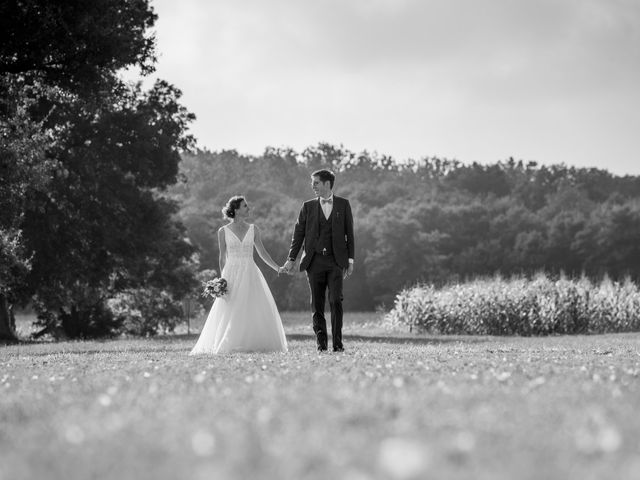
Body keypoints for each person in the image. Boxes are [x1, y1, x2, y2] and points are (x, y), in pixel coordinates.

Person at [190, 196, 288, 354]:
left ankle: (251, 342)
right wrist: (222, 281)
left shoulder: (254, 229)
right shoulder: (223, 231)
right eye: (245, 206)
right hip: (231, 273)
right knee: (231, 308)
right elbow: (222, 258)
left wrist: (277, 267)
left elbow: (262, 252)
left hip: (250, 271)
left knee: (253, 306)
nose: (248, 209)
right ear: (235, 210)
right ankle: (228, 342)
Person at [283, 169, 355, 352]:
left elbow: (350, 234)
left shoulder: (344, 205)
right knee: (317, 304)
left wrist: (350, 260)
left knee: (336, 300)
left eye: (316, 182)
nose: (312, 186)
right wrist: (291, 258)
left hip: (336, 261)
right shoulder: (307, 207)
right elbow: (298, 234)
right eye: (312, 182)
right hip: (313, 262)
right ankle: (321, 344)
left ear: (327, 184)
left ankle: (337, 344)